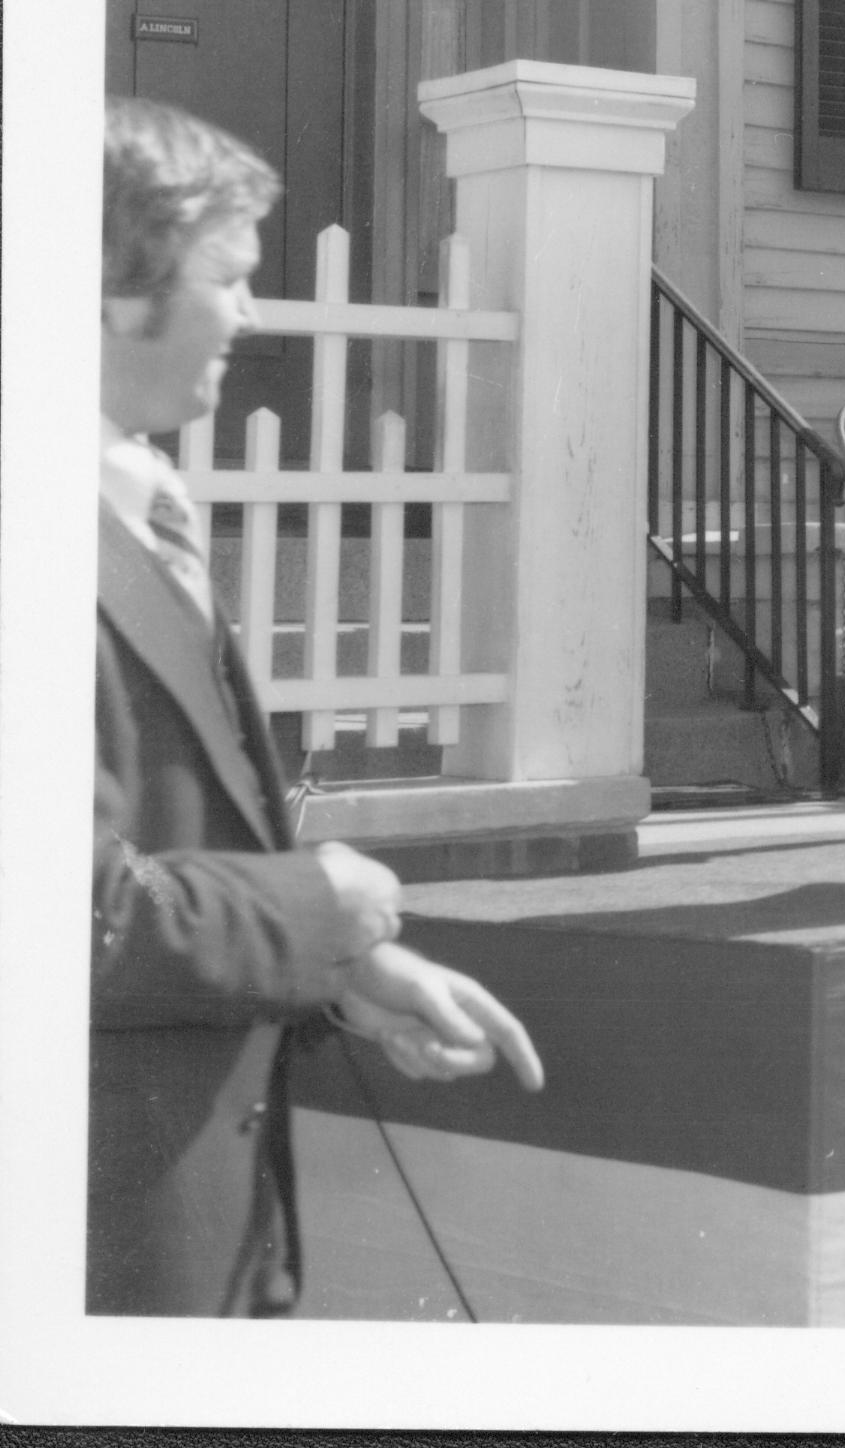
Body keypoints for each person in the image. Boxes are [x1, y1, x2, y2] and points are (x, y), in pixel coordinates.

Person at [95, 97, 543, 1315]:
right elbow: (60, 915)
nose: (250, 313)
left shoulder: (131, 498)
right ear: (110, 287)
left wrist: (340, 967)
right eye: (226, 279)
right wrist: (316, 904)